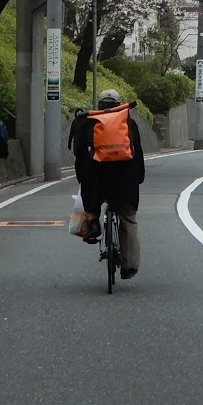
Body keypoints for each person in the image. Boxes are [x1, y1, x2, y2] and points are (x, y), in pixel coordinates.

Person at [71, 88, 145, 279]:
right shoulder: (129, 123)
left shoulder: (88, 122)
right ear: (119, 105)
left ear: (99, 105)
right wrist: (138, 178)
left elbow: (79, 154)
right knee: (129, 218)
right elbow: (138, 154)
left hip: (96, 178)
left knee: (91, 203)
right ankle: (130, 265)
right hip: (125, 180)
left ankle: (93, 222)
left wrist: (82, 178)